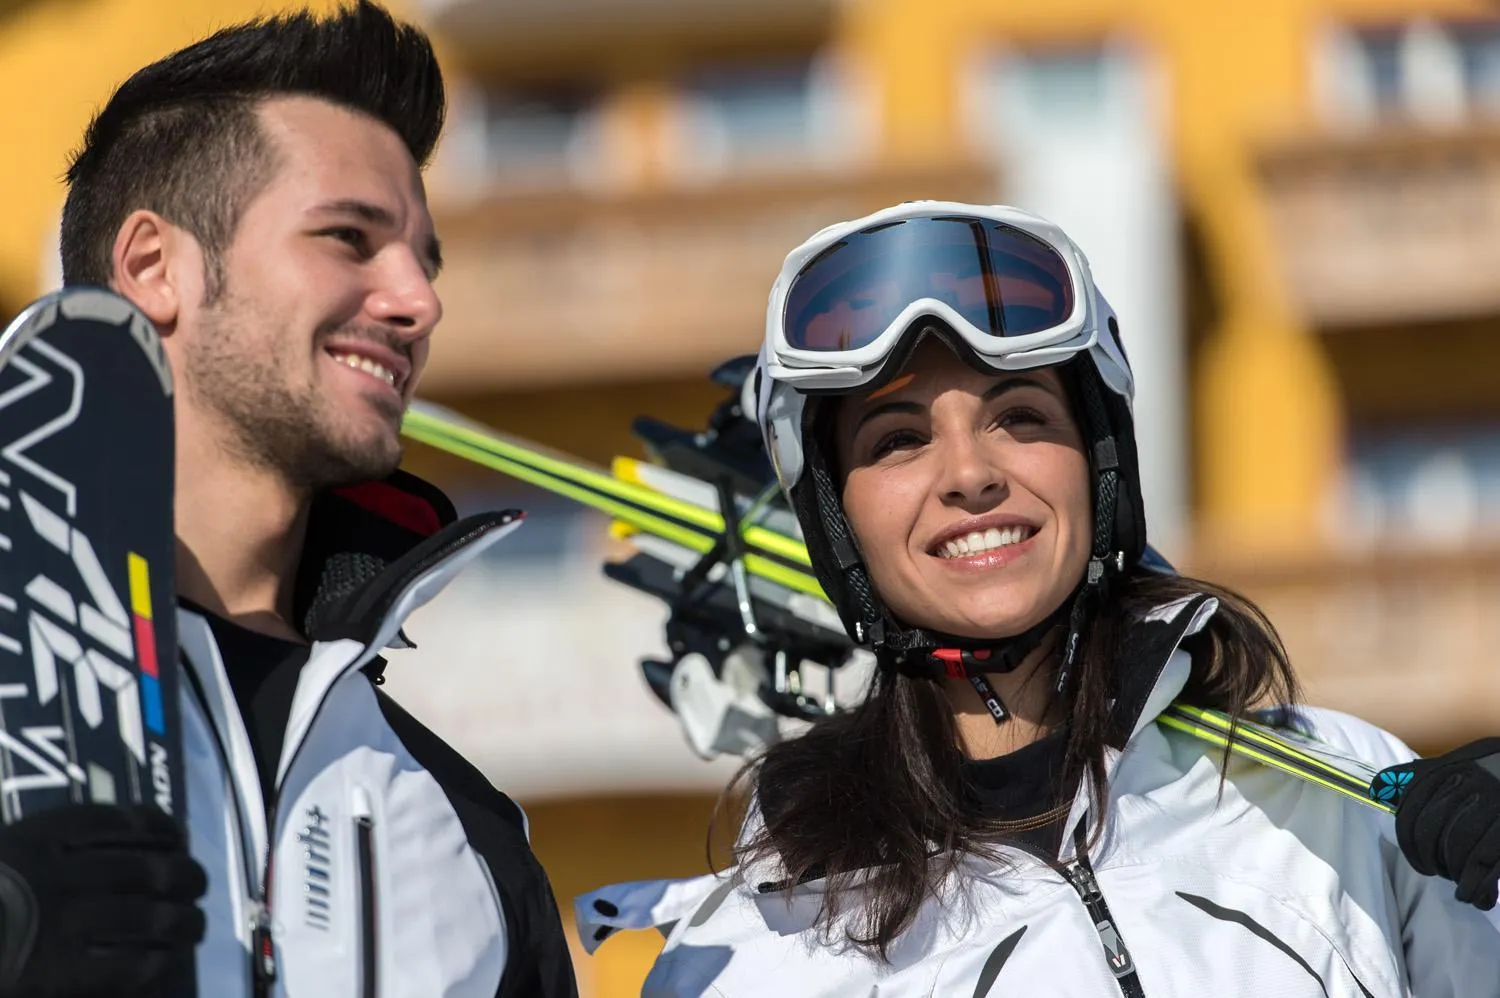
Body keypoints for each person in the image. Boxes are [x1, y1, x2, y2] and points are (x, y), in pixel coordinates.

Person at [577, 201, 1500, 995]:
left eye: (1020, 416)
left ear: (1099, 466)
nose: (971, 475)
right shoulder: (758, 951)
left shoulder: (1346, 799)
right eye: (898, 440)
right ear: (835, 520)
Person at [0, 4, 577, 996]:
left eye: (423, 260)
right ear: (153, 268)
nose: (417, 300)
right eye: (350, 238)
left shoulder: (468, 833)